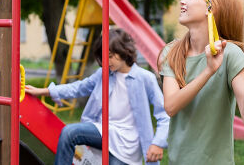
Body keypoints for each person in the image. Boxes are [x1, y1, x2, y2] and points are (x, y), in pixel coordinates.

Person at [158, 0, 244, 164]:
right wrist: (209, 70)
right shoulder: (171, 52)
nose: (182, 1)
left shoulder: (230, 54)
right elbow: (171, 106)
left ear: (211, 8)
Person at [25, 28, 169, 165]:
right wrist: (43, 91)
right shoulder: (104, 74)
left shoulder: (145, 78)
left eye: (110, 56)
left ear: (124, 51)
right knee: (69, 133)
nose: (106, 62)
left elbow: (164, 114)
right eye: (103, 58)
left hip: (127, 144)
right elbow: (78, 88)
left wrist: (158, 143)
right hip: (103, 132)